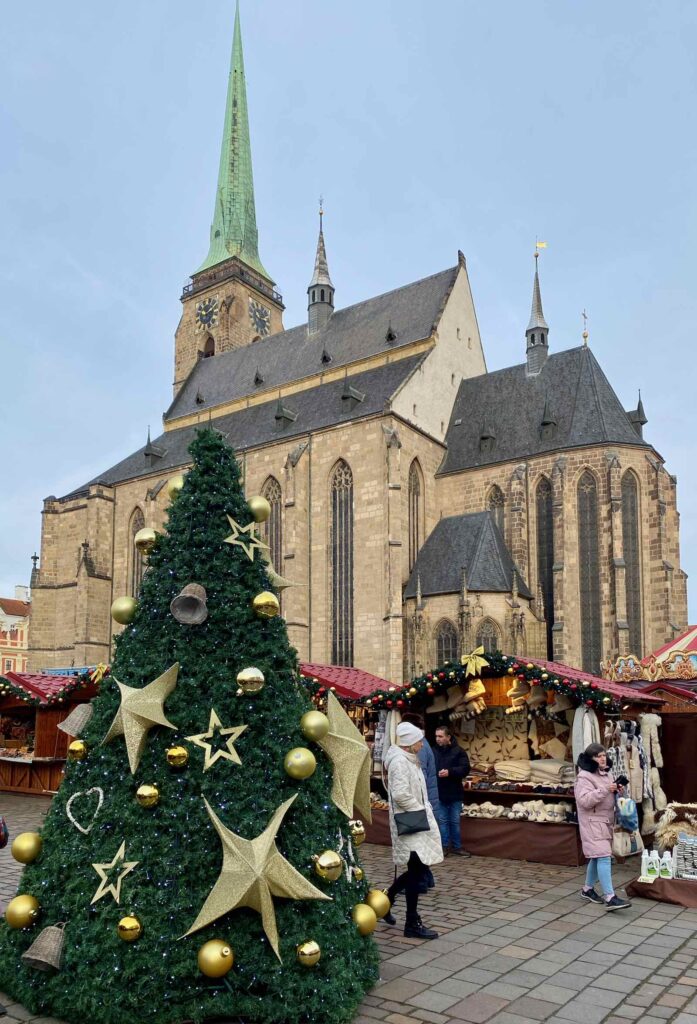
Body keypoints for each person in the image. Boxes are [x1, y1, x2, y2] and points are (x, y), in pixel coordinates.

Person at [383, 722, 443, 939]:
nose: (421, 744)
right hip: (410, 820)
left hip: (415, 819)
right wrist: (420, 809)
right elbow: (400, 794)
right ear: (409, 743)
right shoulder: (400, 762)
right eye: (418, 740)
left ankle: (388, 901)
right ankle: (411, 922)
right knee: (417, 871)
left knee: (417, 870)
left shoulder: (410, 759)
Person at [575, 742, 631, 910]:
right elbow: (584, 800)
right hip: (592, 823)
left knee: (597, 856)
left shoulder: (607, 773)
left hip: (605, 821)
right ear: (590, 759)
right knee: (604, 856)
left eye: (604, 755)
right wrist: (606, 789)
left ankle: (587, 889)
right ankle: (610, 896)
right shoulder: (584, 776)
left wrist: (617, 791)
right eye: (598, 756)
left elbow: (607, 794)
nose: (602, 758)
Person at [432, 725, 470, 857]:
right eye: (436, 736)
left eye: (440, 736)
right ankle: (444, 847)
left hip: (455, 792)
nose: (437, 739)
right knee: (442, 821)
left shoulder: (459, 751)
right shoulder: (433, 751)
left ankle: (457, 847)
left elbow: (465, 769)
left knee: (454, 821)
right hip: (440, 792)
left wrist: (450, 772)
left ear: (448, 737)